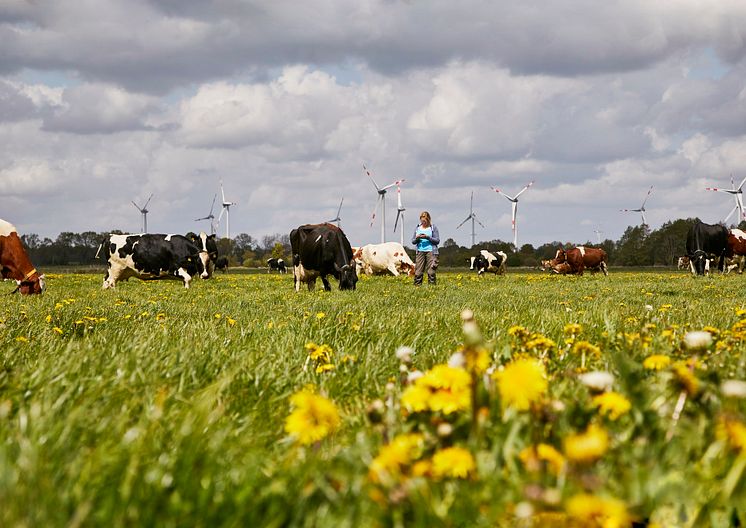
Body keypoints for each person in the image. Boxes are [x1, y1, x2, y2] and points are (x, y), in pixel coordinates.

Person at [411, 211, 440, 285]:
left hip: (431, 251)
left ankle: (432, 287)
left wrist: (427, 237)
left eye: (425, 221)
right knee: (418, 271)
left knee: (431, 270)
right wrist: (417, 238)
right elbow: (413, 241)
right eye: (422, 221)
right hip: (420, 251)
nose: (423, 222)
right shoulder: (418, 228)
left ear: (428, 220)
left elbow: (437, 240)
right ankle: (417, 287)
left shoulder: (433, 228)